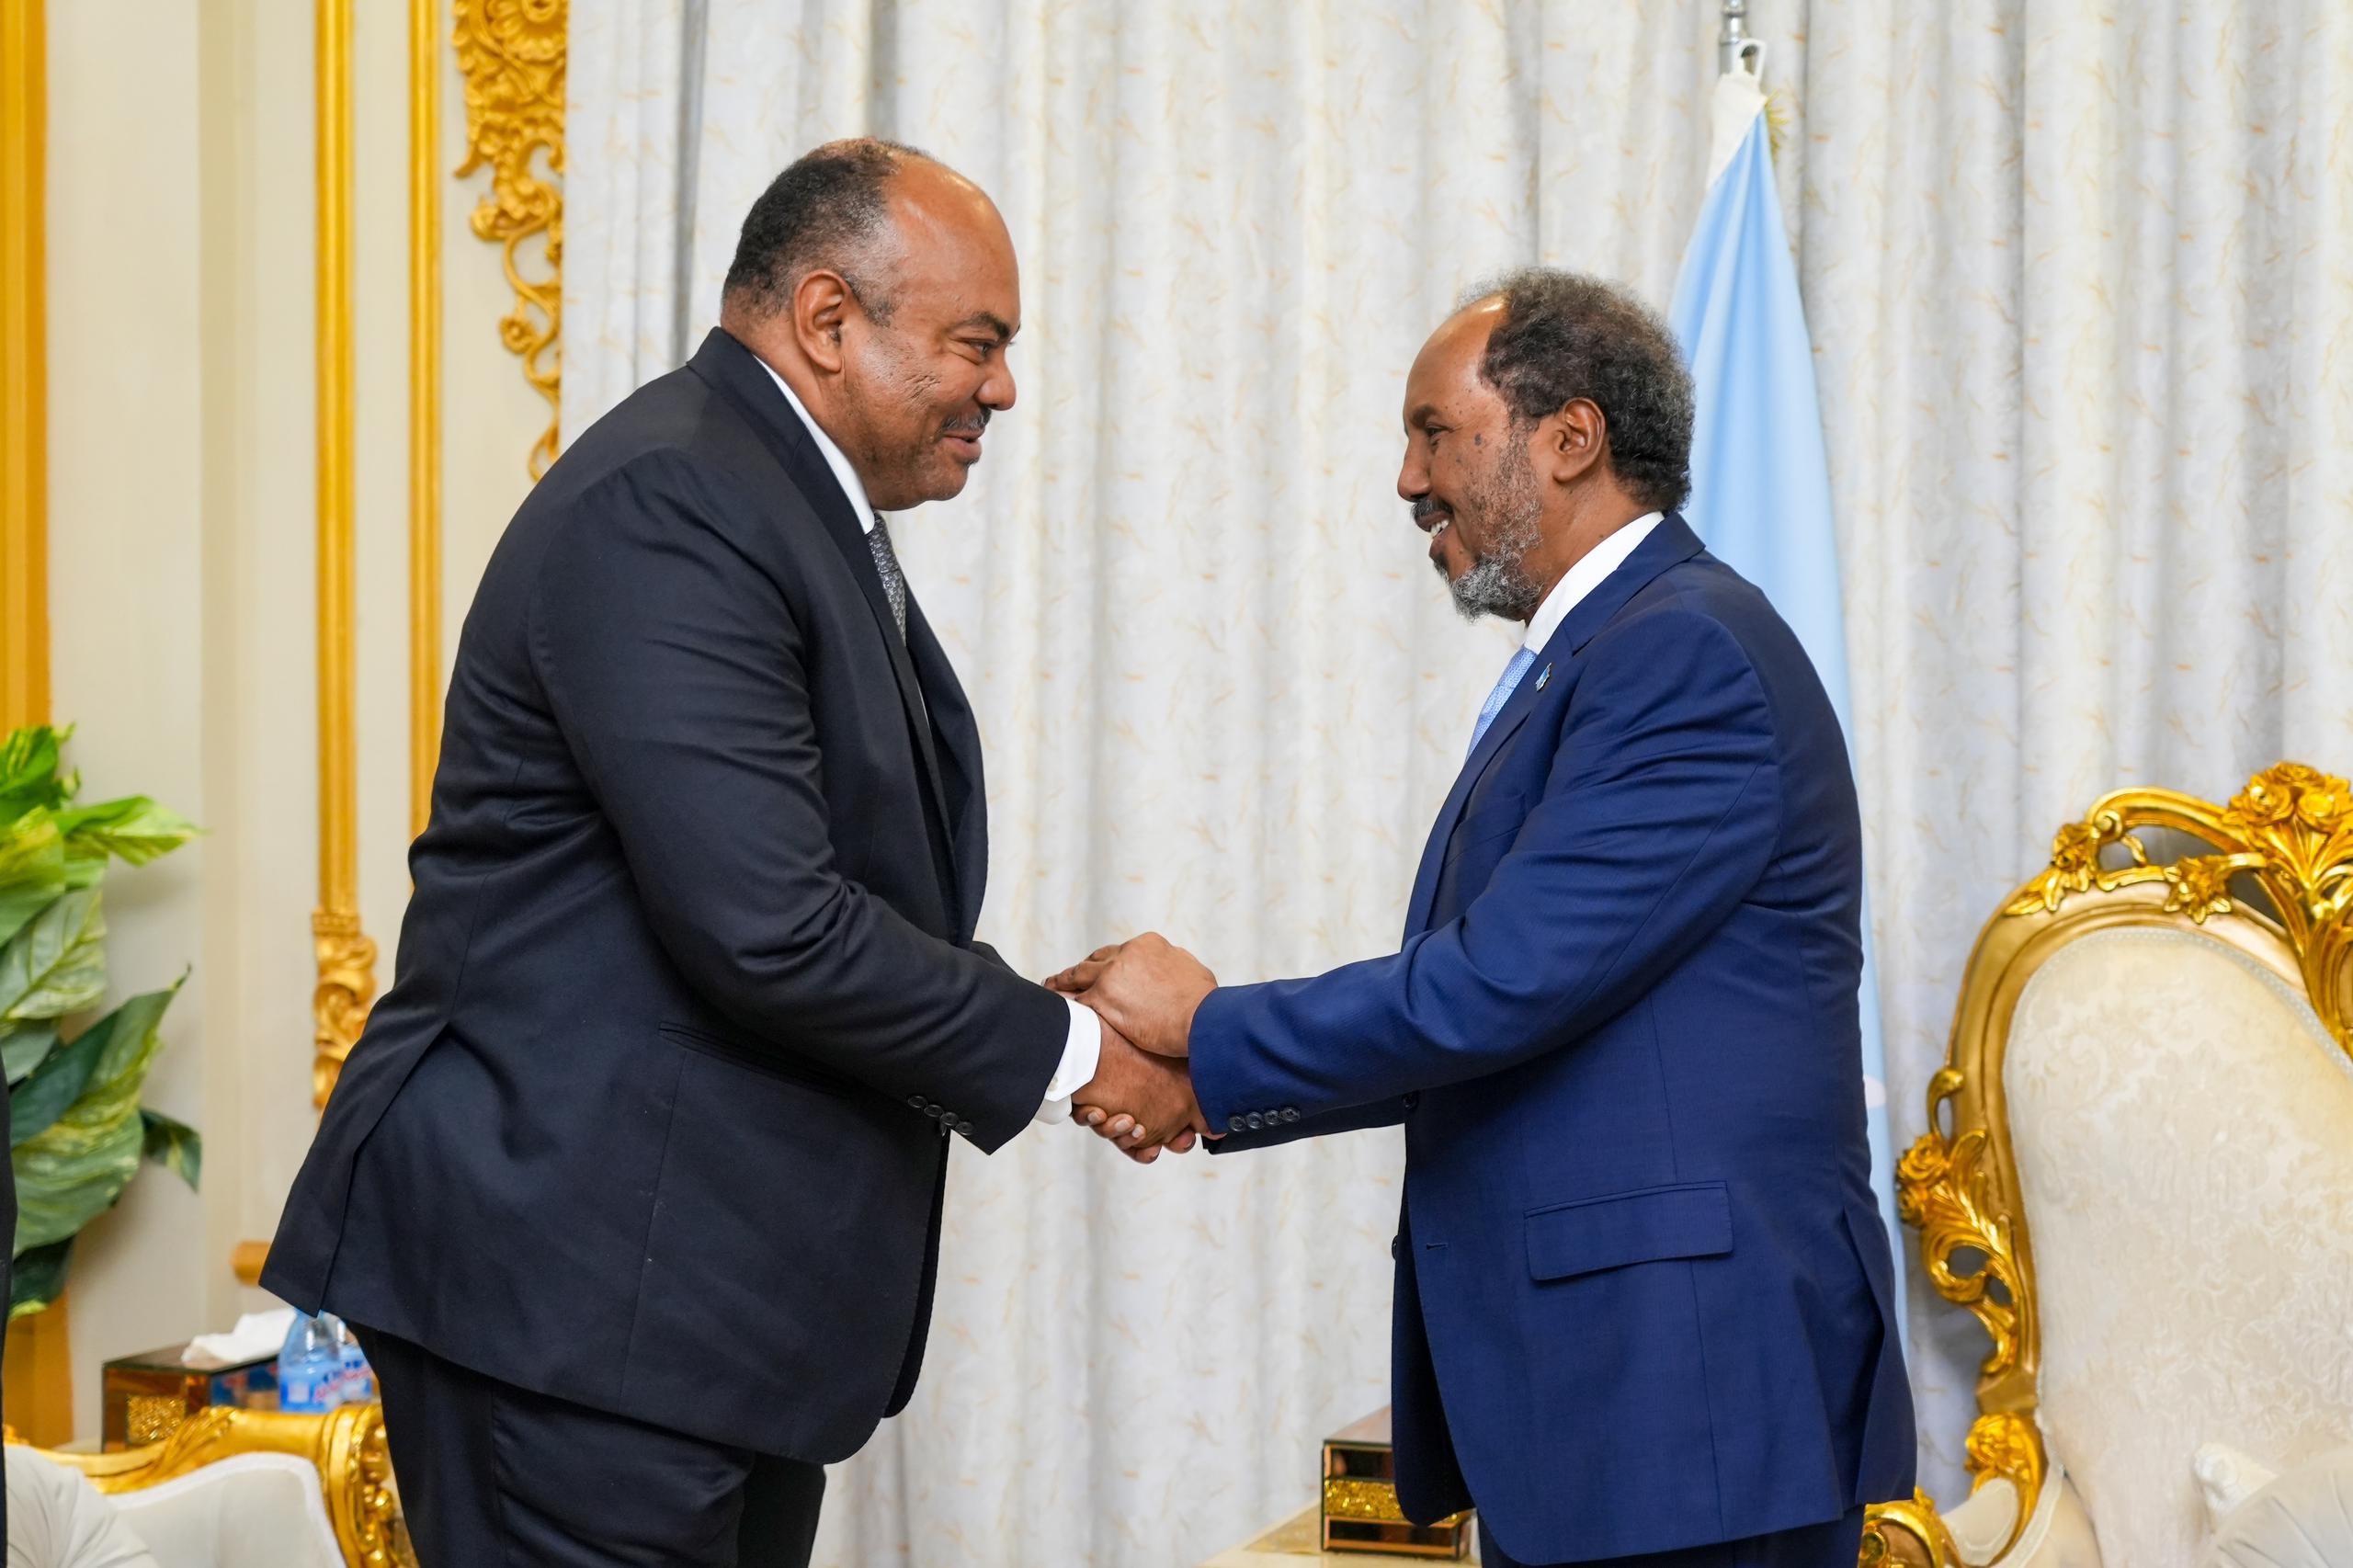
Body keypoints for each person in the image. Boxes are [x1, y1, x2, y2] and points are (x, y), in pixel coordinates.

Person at [263, 138, 1203, 1568]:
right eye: (976, 345)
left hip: (686, 1320)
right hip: (577, 1312)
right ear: (829, 321)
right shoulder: (677, 500)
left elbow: (833, 892)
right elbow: (773, 924)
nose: (1001, 389)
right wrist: (1077, 1045)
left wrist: (1042, 1004)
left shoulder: (777, 499)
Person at [1056, 270, 1915, 1568]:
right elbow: (1509, 1014)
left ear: (1569, 437)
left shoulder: (1682, 653)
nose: (1408, 479)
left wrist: (1203, 1025)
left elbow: (1498, 985)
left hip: (1686, 1405)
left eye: (1433, 432)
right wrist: (1206, 1083)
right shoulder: (1602, 652)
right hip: (1612, 1411)